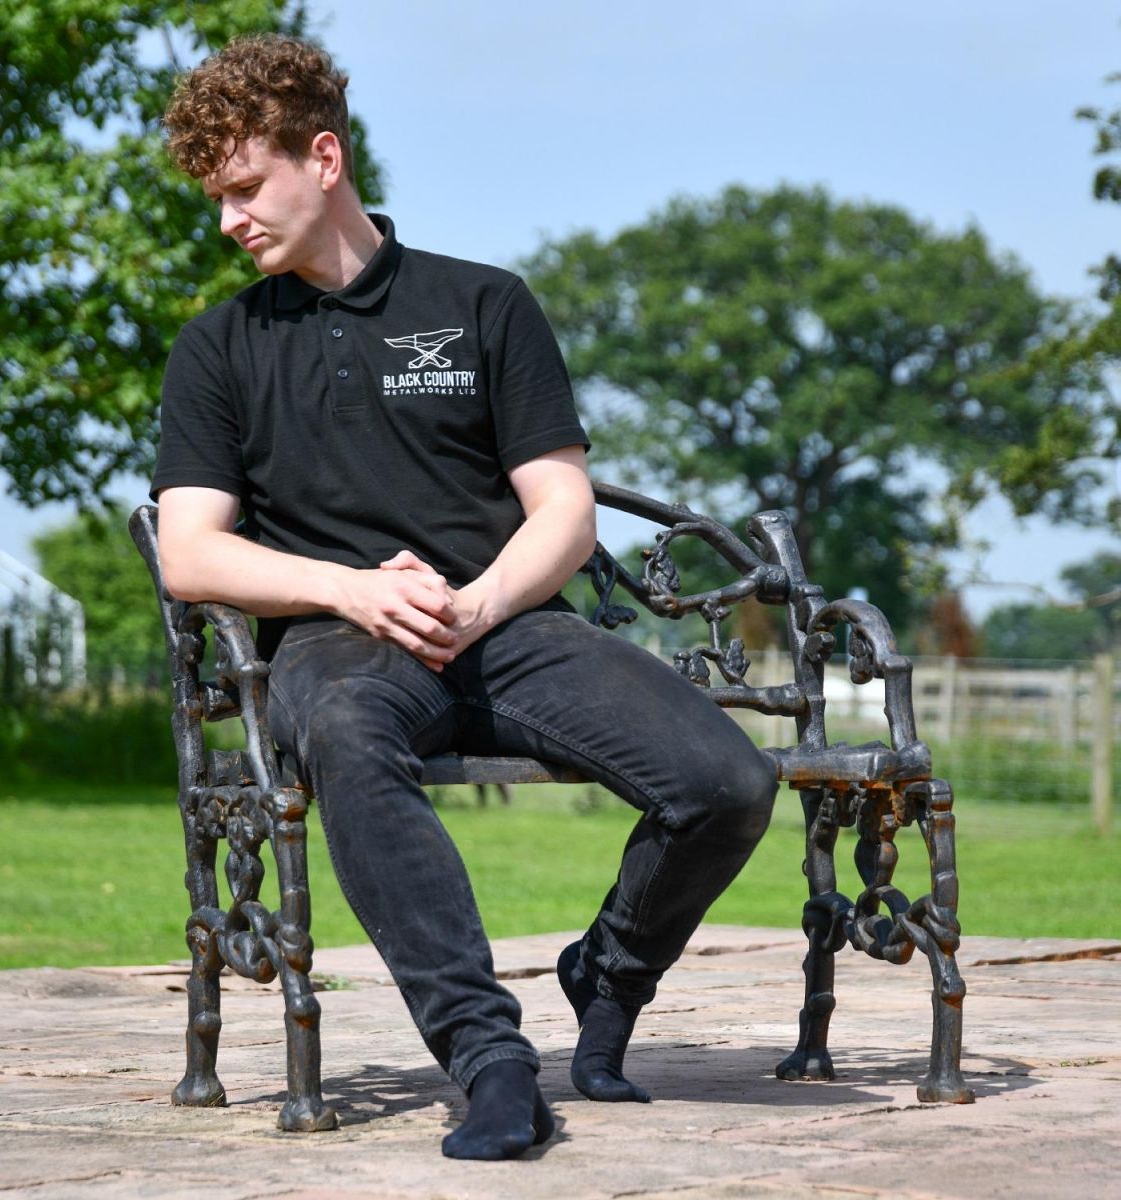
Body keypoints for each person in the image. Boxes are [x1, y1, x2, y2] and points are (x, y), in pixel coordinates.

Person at [154, 33, 778, 1161]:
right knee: (346, 731)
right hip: (340, 649)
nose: (229, 219)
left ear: (325, 157)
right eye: (216, 197)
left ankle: (610, 971)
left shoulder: (484, 304)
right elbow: (190, 555)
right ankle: (490, 1060)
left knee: (727, 780)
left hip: (507, 628)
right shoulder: (220, 349)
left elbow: (564, 512)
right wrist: (350, 592)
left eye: (245, 188)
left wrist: (480, 604)